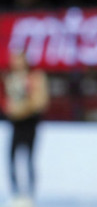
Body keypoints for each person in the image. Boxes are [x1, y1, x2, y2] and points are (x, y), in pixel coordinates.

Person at [2, 50, 49, 206]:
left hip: (30, 123)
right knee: (11, 159)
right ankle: (16, 193)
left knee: (29, 160)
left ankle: (30, 194)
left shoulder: (35, 77)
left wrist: (21, 109)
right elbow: (8, 101)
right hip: (15, 124)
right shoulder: (10, 77)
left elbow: (40, 102)